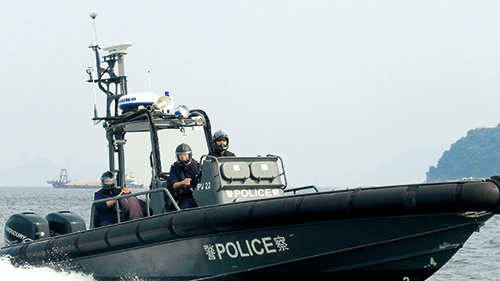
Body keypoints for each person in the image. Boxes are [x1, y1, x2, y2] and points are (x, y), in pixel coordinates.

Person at [169, 143, 199, 209]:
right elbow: (174, 185)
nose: (183, 157)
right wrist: (183, 183)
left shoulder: (197, 166)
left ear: (189, 155)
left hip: (199, 195)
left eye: (185, 155)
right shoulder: (174, 168)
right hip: (185, 197)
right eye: (181, 155)